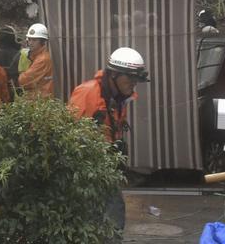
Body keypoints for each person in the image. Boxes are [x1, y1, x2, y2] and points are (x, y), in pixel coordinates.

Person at [69, 47, 150, 243]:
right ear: (114, 74)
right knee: (105, 214)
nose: (133, 84)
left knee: (111, 214)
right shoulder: (88, 93)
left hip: (105, 168)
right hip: (86, 168)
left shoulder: (119, 98)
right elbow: (68, 132)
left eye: (136, 79)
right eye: (130, 78)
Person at [17, 23, 54, 98]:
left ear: (42, 41)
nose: (30, 43)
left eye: (34, 40)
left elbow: (23, 80)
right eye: (29, 39)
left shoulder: (42, 59)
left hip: (39, 101)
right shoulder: (36, 56)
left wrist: (22, 74)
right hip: (37, 99)